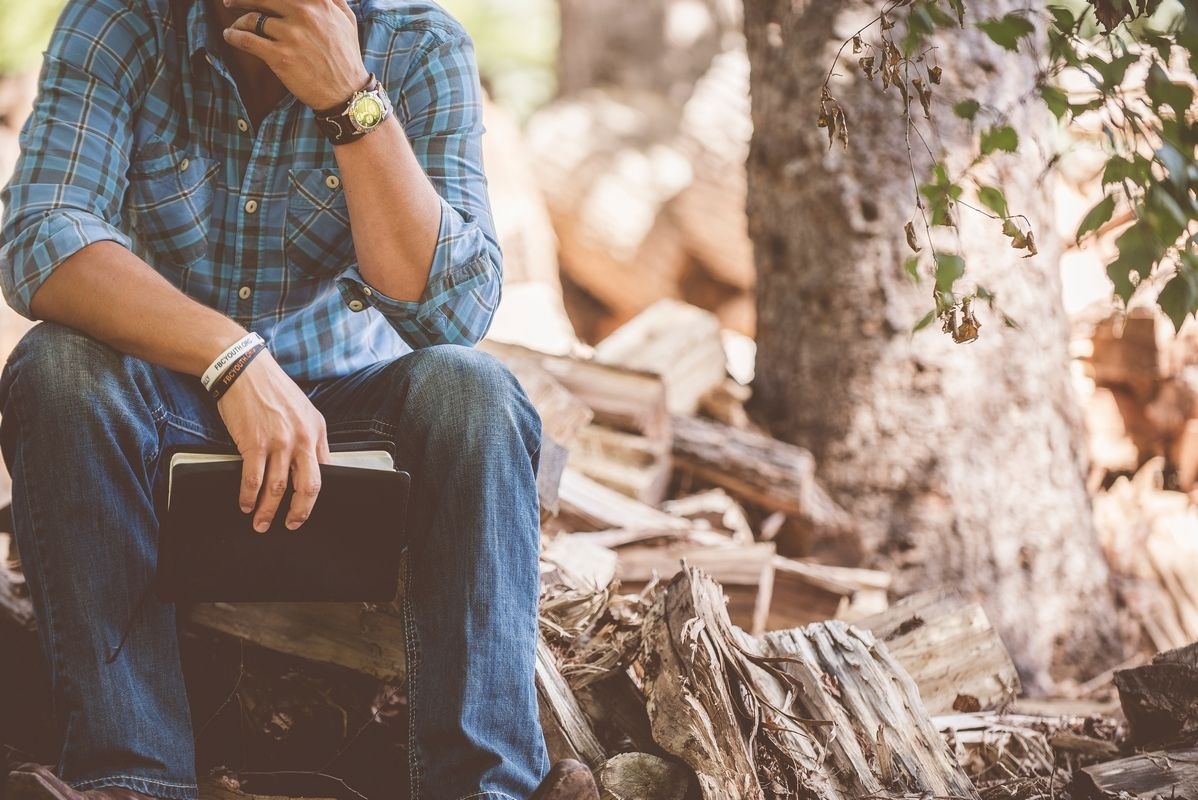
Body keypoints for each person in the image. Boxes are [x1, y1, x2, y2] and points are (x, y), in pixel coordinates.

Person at [0, 0, 599, 798]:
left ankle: (484, 787)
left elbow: (454, 313)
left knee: (476, 392)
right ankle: (131, 778)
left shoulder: (420, 44)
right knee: (56, 366)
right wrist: (231, 357)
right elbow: (41, 237)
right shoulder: (119, 23)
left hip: (348, 432)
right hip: (160, 416)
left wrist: (351, 100)